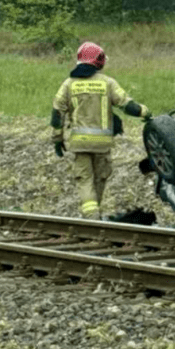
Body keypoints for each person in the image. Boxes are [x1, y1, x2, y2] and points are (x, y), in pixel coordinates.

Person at [51, 42, 152, 219]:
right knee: (99, 178)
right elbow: (127, 105)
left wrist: (57, 139)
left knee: (85, 180)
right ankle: (94, 216)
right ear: (99, 62)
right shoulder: (108, 83)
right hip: (102, 144)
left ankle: (92, 217)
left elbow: (57, 114)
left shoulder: (68, 84)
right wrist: (145, 112)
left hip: (79, 143)